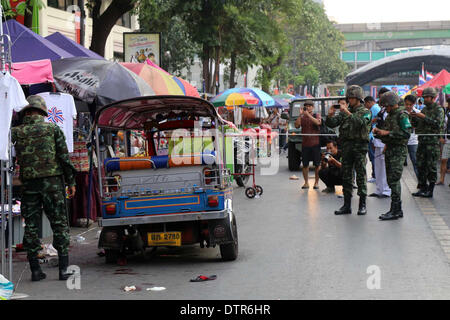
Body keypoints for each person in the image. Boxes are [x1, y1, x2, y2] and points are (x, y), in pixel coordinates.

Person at [11, 95, 77, 282]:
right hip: (53, 184)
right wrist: (71, 181)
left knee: (31, 226)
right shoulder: (52, 129)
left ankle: (35, 271)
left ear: (26, 112)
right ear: (42, 111)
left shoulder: (16, 132)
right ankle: (63, 270)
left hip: (29, 184)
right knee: (59, 224)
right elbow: (64, 158)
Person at [325, 85, 372, 215]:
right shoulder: (345, 112)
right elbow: (332, 123)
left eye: (351, 98)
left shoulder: (365, 112)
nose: (349, 100)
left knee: (361, 175)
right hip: (346, 147)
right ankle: (347, 205)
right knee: (346, 175)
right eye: (348, 98)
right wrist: (329, 116)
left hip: (359, 147)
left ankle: (362, 204)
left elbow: (361, 123)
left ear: (358, 98)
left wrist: (347, 112)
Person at [373, 92, 412, 220]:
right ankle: (395, 209)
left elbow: (406, 133)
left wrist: (387, 132)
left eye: (386, 106)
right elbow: (387, 134)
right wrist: (379, 133)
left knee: (394, 180)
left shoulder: (402, 115)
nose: (385, 109)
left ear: (392, 104)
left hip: (398, 151)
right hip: (390, 149)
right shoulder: (390, 116)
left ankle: (396, 209)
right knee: (390, 180)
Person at [411, 87, 445, 198]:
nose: (424, 99)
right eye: (424, 97)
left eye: (426, 97)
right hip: (422, 141)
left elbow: (437, 124)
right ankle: (422, 188)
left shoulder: (438, 109)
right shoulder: (424, 109)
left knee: (431, 166)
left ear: (433, 98)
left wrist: (423, 117)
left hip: (432, 143)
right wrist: (414, 118)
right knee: (420, 165)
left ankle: (430, 190)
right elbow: (418, 125)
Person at [295, 100, 322, 190]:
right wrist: (300, 115)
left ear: (313, 107)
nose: (308, 107)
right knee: (305, 164)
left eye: (310, 106)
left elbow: (318, 123)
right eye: (307, 106)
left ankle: (316, 182)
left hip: (315, 143)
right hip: (305, 144)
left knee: (317, 165)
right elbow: (297, 126)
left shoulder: (316, 115)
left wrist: (308, 115)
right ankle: (306, 182)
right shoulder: (302, 116)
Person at [364, 96, 380, 183]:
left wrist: (370, 121)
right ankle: (375, 175)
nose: (365, 106)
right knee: (372, 156)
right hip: (372, 135)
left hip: (372, 136)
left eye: (366, 104)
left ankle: (375, 175)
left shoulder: (374, 108)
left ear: (369, 102)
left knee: (373, 156)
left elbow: (379, 118)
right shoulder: (375, 108)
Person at [404, 94, 420, 180]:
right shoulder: (401, 112)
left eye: (410, 104)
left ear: (414, 104)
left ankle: (421, 184)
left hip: (413, 141)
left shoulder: (417, 113)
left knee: (415, 162)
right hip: (402, 140)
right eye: (406, 104)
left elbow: (420, 126)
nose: (408, 106)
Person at [437, 97, 450, 185]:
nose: (448, 105)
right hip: (447, 139)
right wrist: (441, 137)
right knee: (443, 160)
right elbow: (443, 126)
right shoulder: (446, 112)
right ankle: (441, 179)